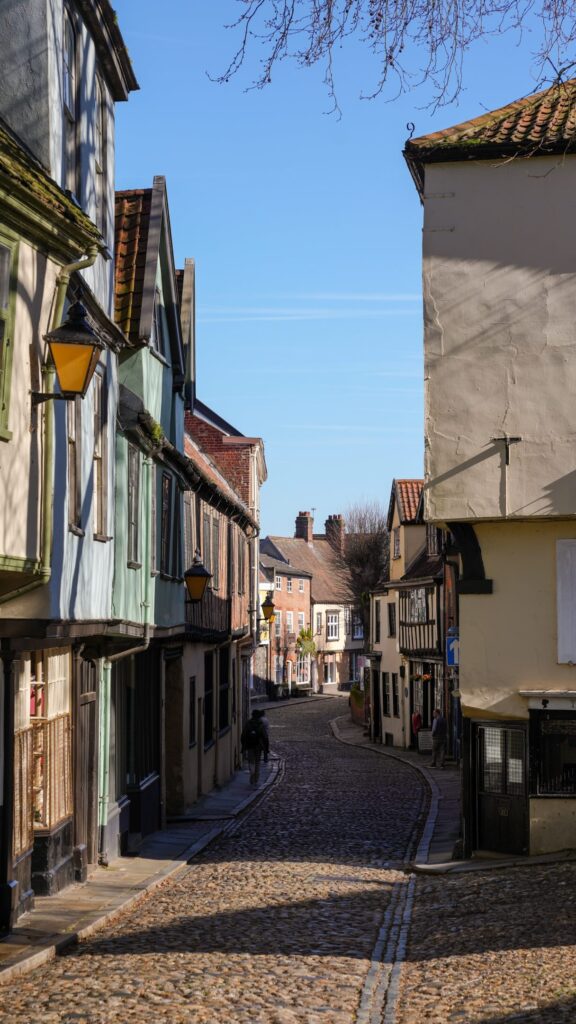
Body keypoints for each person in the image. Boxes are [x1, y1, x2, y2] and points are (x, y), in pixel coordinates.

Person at [241, 710, 266, 785]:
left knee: (251, 760)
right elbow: (264, 736)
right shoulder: (261, 724)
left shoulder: (248, 723)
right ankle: (256, 777)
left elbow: (243, 735)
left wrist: (243, 745)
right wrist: (265, 748)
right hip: (258, 746)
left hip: (250, 745)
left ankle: (252, 772)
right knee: (257, 761)